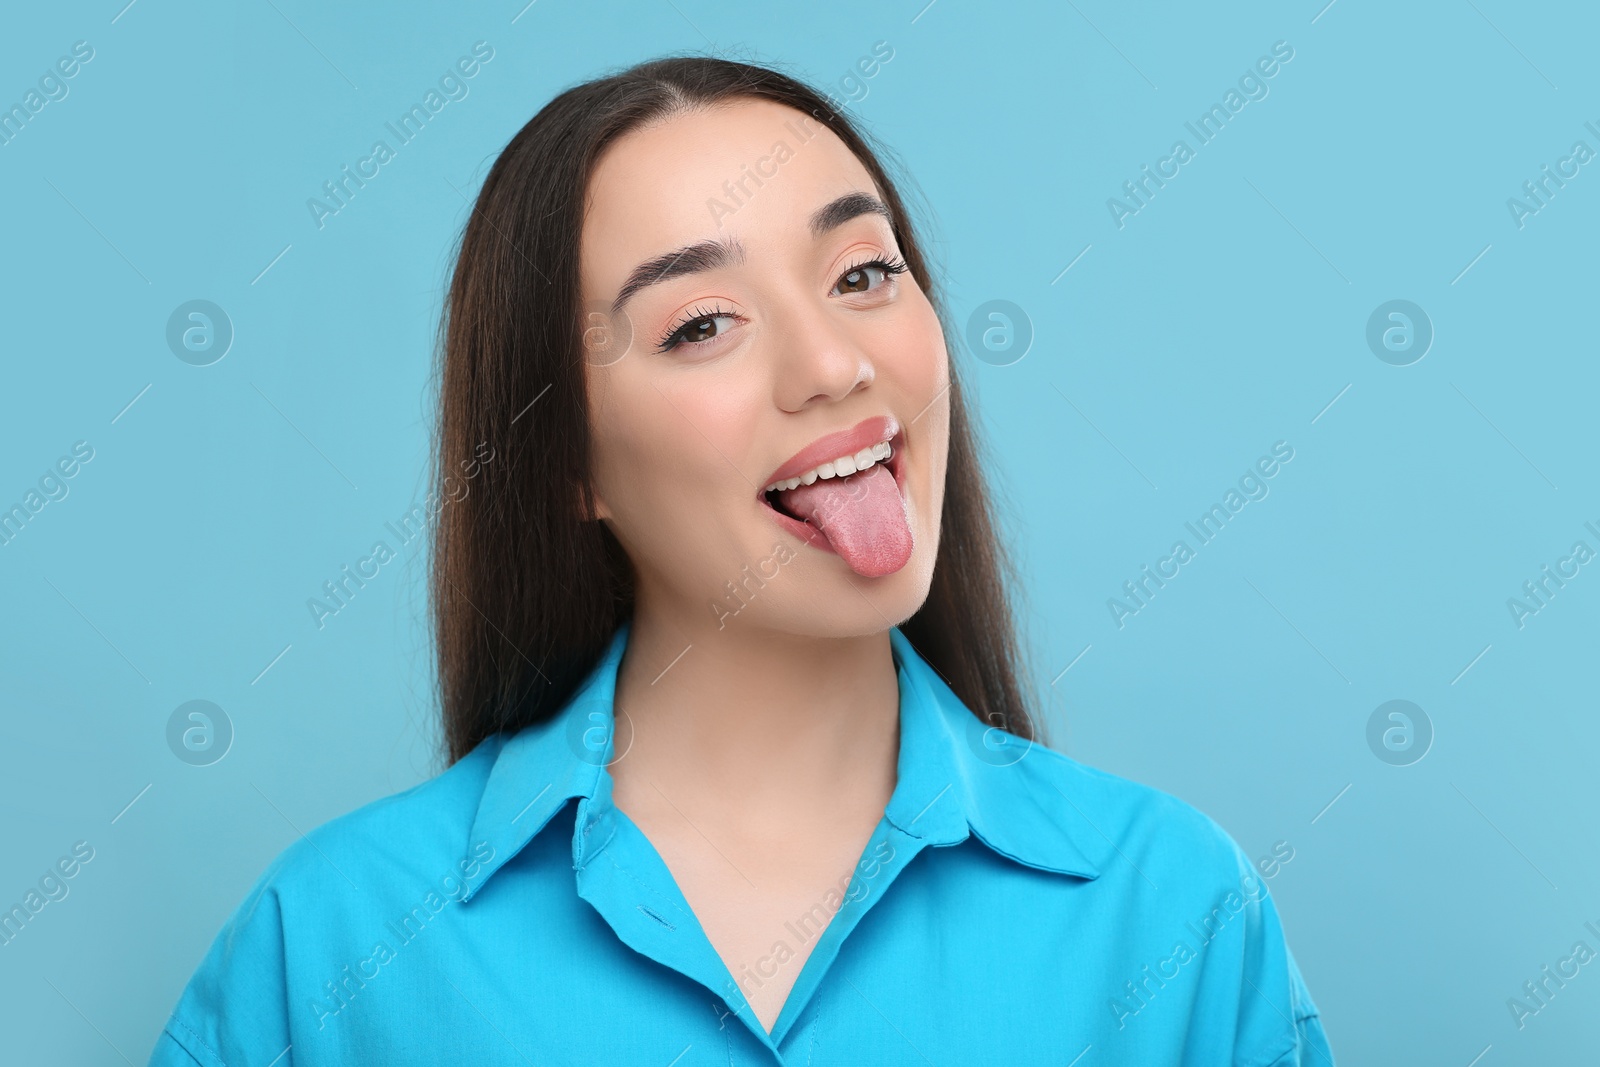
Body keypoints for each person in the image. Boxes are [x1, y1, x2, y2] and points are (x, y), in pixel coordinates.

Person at [150, 55, 1335, 1065]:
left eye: (862, 273)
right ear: (569, 462)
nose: (830, 362)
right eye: (701, 324)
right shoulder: (330, 945)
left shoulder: (1174, 910)